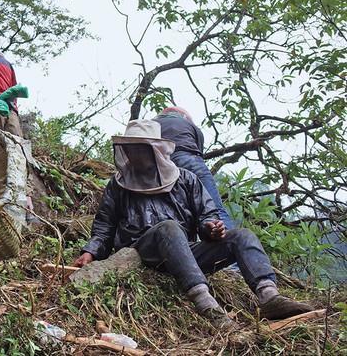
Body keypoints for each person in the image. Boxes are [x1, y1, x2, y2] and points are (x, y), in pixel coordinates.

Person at [72, 120, 312, 327]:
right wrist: (90, 252)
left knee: (242, 235)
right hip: (144, 252)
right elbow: (105, 225)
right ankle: (206, 303)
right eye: (130, 149)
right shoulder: (118, 185)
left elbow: (207, 215)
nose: (134, 155)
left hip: (184, 251)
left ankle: (269, 296)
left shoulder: (186, 179)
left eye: (140, 149)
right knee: (168, 227)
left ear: (155, 150)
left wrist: (211, 228)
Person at [155, 106, 235, 229]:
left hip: (160, 165)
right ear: (184, 117)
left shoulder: (152, 124)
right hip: (190, 160)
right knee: (213, 208)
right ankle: (231, 242)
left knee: (169, 211)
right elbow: (198, 152)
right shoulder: (191, 126)